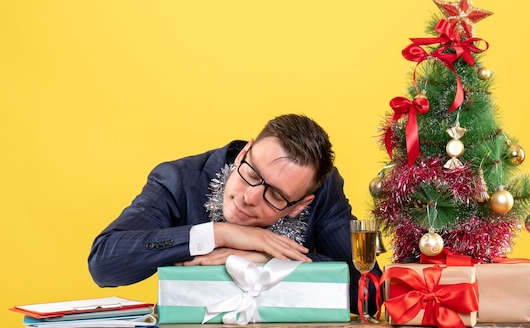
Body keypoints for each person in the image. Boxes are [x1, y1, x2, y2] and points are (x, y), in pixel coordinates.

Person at [88, 113, 381, 314]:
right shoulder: (177, 179)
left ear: (300, 204)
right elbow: (104, 263)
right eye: (251, 173)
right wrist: (220, 234)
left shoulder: (323, 190)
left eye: (276, 195)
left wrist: (270, 259)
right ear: (244, 153)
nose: (250, 197)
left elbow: (371, 294)